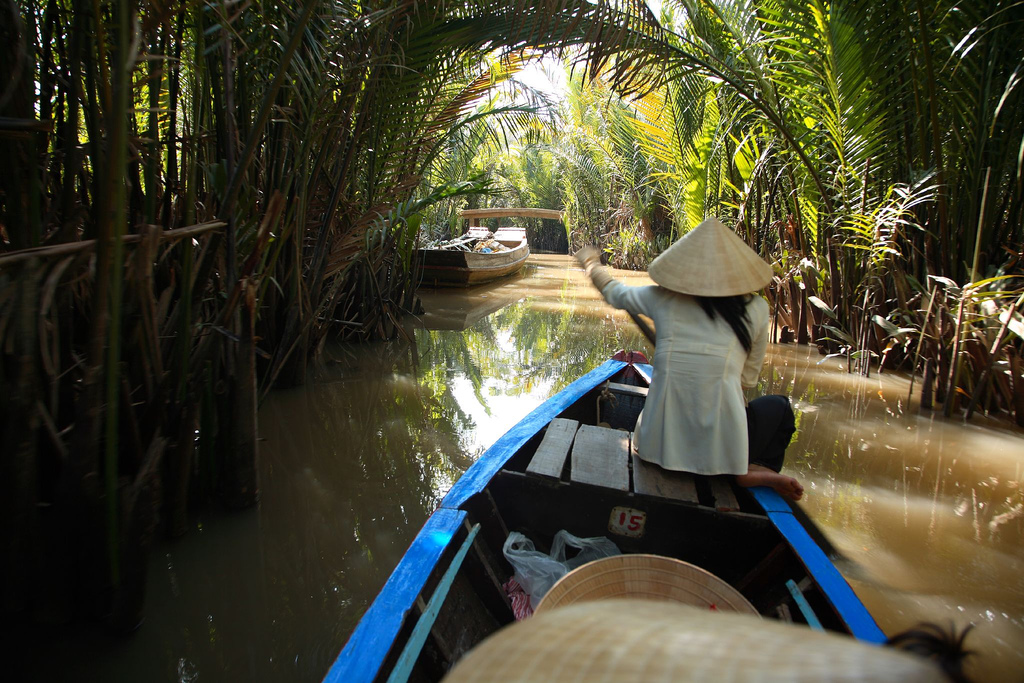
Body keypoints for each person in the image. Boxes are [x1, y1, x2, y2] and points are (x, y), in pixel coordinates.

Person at [575, 217, 804, 500]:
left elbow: (613, 292)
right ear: (736, 271)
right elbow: (747, 381)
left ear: (686, 268)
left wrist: (590, 263)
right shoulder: (757, 309)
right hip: (722, 458)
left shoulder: (662, 297)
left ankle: (741, 463)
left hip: (656, 448)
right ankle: (752, 467)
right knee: (779, 407)